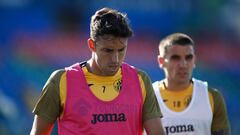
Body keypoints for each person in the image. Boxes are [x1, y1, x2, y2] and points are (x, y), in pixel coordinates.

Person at [30, 7, 164, 135]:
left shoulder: (140, 80)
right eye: (108, 50)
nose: (115, 59)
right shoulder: (61, 81)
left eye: (121, 50)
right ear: (92, 45)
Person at [153, 33, 231, 135]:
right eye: (175, 58)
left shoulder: (212, 97)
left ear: (194, 60)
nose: (183, 64)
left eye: (188, 58)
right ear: (161, 61)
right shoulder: (145, 98)